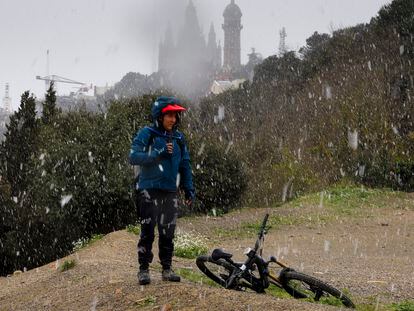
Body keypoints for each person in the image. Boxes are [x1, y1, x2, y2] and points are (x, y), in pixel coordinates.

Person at [129, 96, 195, 285]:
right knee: (147, 231)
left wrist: (188, 189)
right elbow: (133, 157)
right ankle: (143, 270)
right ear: (159, 116)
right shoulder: (147, 133)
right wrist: (157, 155)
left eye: (175, 115)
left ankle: (167, 268)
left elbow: (185, 164)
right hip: (148, 190)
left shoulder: (178, 138)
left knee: (168, 232)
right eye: (169, 115)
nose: (173, 119)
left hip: (169, 191)